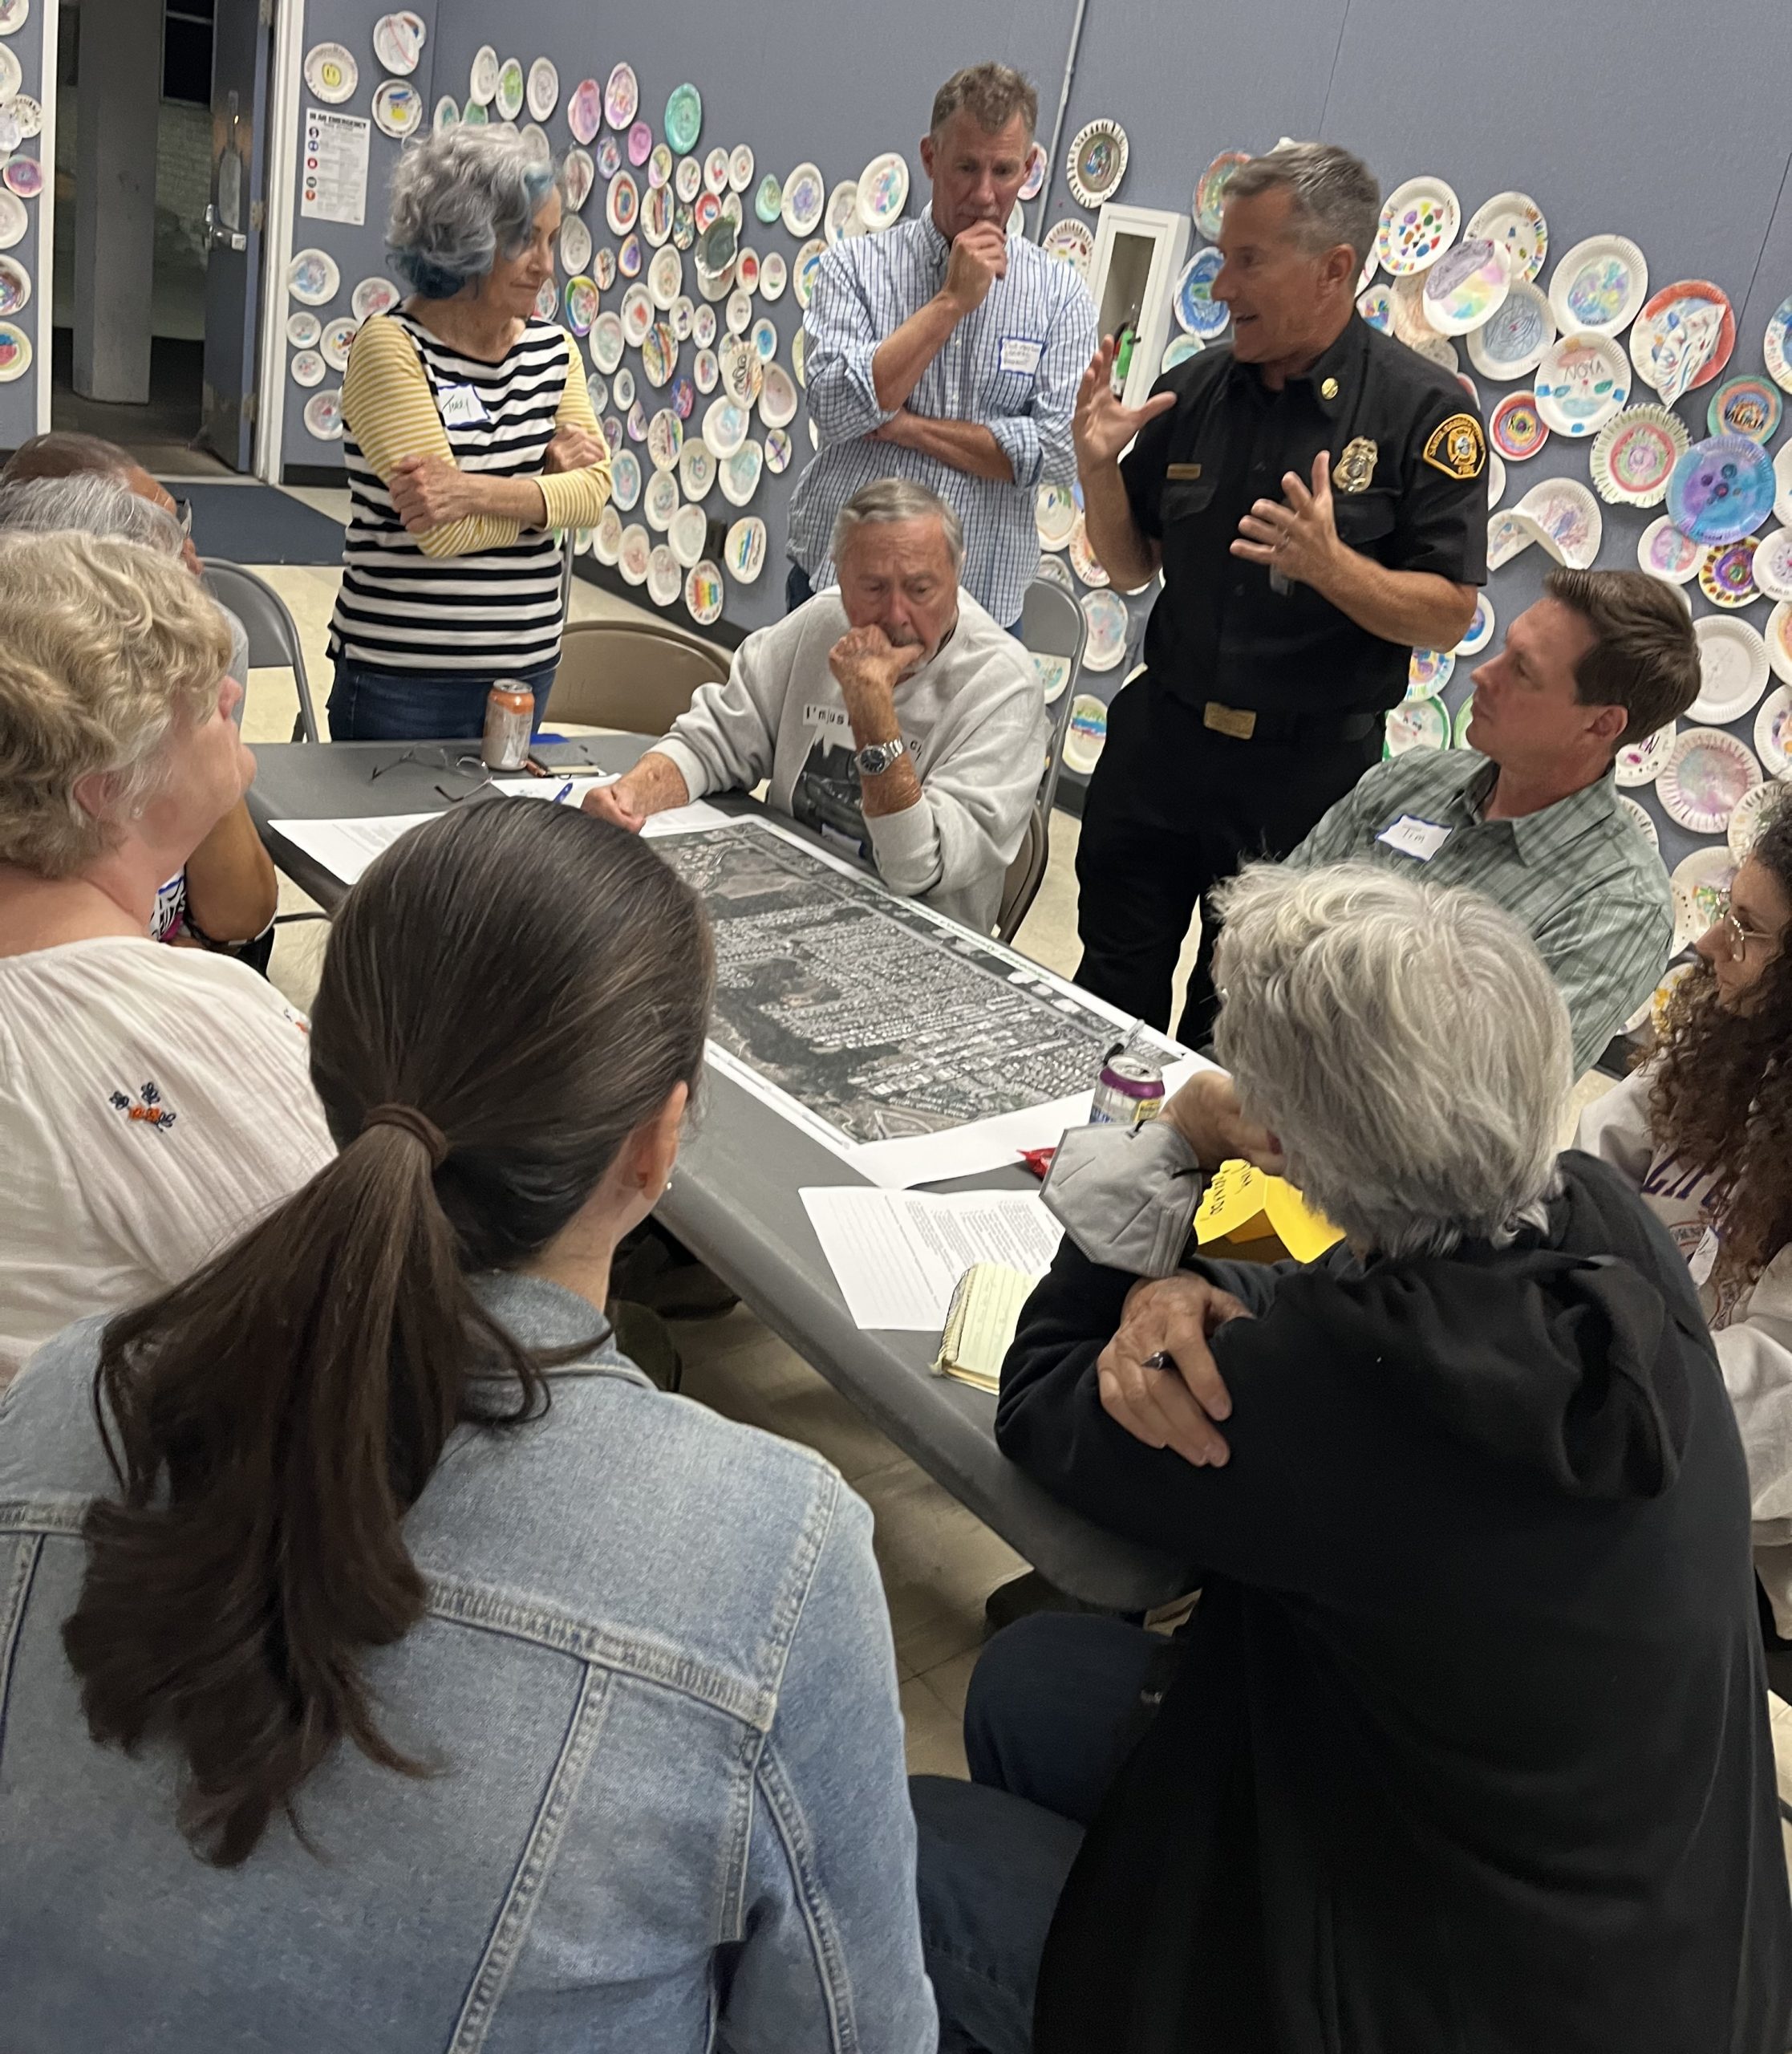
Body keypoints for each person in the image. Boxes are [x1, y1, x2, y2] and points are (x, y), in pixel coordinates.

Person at [0, 799, 937, 2054]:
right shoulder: (779, 1559)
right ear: (658, 1145)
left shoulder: (75, 1391)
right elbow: (848, 2033)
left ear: (327, 1069)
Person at [912, 863, 1792, 2054]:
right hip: (1636, 1958)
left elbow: (1042, 1398)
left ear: (1282, 1142)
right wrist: (1221, 1303)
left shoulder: (1353, 1393)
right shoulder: (1605, 1231)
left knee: (914, 1844)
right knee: (1032, 1681)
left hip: (1416, 1996)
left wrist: (1175, 1138)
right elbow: (1355, 1299)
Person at [1070, 143, 1487, 1046]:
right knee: (1104, 1000)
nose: (1221, 287)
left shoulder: (1422, 413)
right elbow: (1130, 565)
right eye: (1222, 258)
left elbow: (1449, 614)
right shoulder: (1190, 391)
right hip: (1162, 747)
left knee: (1239, 1031)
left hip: (1303, 780)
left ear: (1333, 269)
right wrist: (1098, 471)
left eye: (1248, 261)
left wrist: (1333, 568)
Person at [0, 532, 333, 1386]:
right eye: (199, 699)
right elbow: (360, 1292)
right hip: (140, 1447)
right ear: (106, 789)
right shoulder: (184, 1027)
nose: (233, 691)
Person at [1283, 566, 1701, 1073]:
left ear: (1601, 723)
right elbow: (1257, 932)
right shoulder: (1411, 779)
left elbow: (1476, 1094)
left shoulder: (1619, 908)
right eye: (1505, 649)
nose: (1482, 674)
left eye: (1522, 670)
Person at [584, 478, 1044, 932]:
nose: (897, 615)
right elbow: (716, 739)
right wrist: (630, 796)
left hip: (915, 934)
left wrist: (872, 712)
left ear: (957, 574)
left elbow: (917, 868)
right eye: (873, 588)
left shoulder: (1003, 687)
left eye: (921, 589)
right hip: (779, 896)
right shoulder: (822, 620)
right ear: (839, 577)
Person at [1579, 785, 1792, 1636]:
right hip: (1618, 1403)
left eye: (1745, 929)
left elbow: (1761, 1398)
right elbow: (1584, 1172)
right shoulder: (1731, 1042)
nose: (1707, 945)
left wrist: (1574, 1373)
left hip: (1728, 1534)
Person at [327, 127, 611, 741]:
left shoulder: (554, 351)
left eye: (552, 240)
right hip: (402, 678)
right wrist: (545, 492)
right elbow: (441, 530)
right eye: (524, 240)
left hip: (525, 670)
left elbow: (592, 496)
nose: (546, 266)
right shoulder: (390, 348)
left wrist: (472, 492)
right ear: (465, 239)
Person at [789, 62, 1094, 629]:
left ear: (1029, 168)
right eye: (966, 167)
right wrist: (950, 303)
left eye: (1004, 170)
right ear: (930, 158)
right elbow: (833, 408)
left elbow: (1059, 452)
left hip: (978, 609)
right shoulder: (855, 267)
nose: (984, 194)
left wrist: (906, 427)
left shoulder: (1060, 296)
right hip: (844, 594)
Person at [1, 433, 278, 962]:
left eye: (180, 527)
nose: (193, 563)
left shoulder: (201, 645)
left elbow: (243, 917)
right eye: (160, 542)